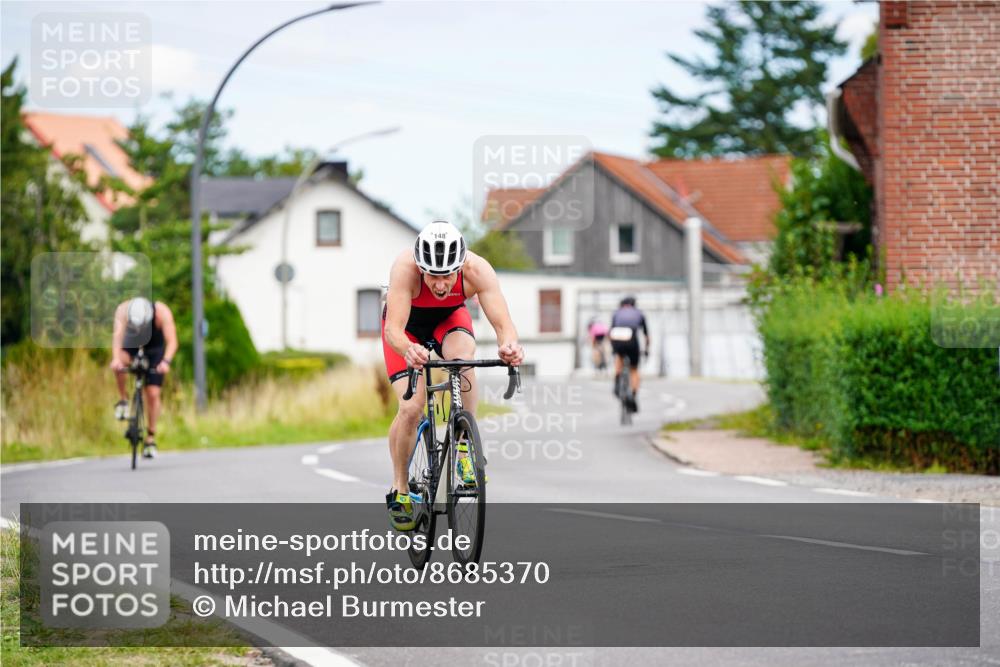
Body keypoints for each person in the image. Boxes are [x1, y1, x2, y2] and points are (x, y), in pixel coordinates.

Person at [382, 221, 524, 531]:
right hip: (406, 329)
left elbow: (504, 324)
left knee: (462, 359)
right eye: (433, 274)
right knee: (411, 407)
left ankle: (463, 444)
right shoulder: (404, 268)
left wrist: (509, 346)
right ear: (421, 267)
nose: (442, 284)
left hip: (448, 319)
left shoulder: (478, 269)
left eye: (448, 274)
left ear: (460, 266)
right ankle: (400, 489)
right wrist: (409, 349)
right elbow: (393, 328)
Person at [110, 297, 178, 458]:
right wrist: (116, 359)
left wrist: (165, 362)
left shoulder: (162, 312)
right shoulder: (122, 311)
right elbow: (117, 340)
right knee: (119, 363)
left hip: (155, 348)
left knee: (153, 394)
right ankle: (123, 400)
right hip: (131, 343)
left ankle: (150, 438)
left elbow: (173, 342)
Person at [609, 296, 649, 413]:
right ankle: (633, 394)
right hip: (631, 338)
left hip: (617, 336)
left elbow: (610, 332)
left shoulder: (617, 313)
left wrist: (612, 348)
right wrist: (647, 349)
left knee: (619, 357)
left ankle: (617, 380)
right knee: (634, 369)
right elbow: (647, 335)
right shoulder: (639, 313)